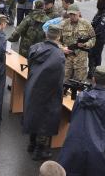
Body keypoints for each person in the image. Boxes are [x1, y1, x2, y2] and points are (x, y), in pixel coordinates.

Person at [58, 66, 105, 176]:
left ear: (94, 79)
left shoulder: (81, 97)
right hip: (99, 156)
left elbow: (74, 118)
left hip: (73, 149)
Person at [23, 24, 66, 161]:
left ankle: (31, 144)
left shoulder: (35, 48)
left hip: (32, 86)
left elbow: (30, 66)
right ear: (58, 37)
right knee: (45, 119)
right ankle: (39, 150)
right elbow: (58, 78)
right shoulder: (59, 54)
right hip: (48, 91)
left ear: (46, 35)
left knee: (34, 114)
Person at [60, 4, 96, 82]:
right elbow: (56, 40)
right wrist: (62, 48)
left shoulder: (86, 24)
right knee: (63, 81)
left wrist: (86, 44)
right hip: (67, 58)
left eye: (74, 14)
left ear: (79, 13)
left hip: (81, 59)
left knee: (79, 83)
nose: (72, 16)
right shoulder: (63, 24)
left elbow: (93, 38)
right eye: (70, 14)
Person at [89, 0, 105, 78]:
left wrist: (91, 34)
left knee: (96, 55)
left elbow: (99, 28)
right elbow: (93, 24)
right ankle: (91, 71)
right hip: (94, 37)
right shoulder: (99, 12)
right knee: (91, 54)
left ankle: (96, 73)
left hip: (100, 38)